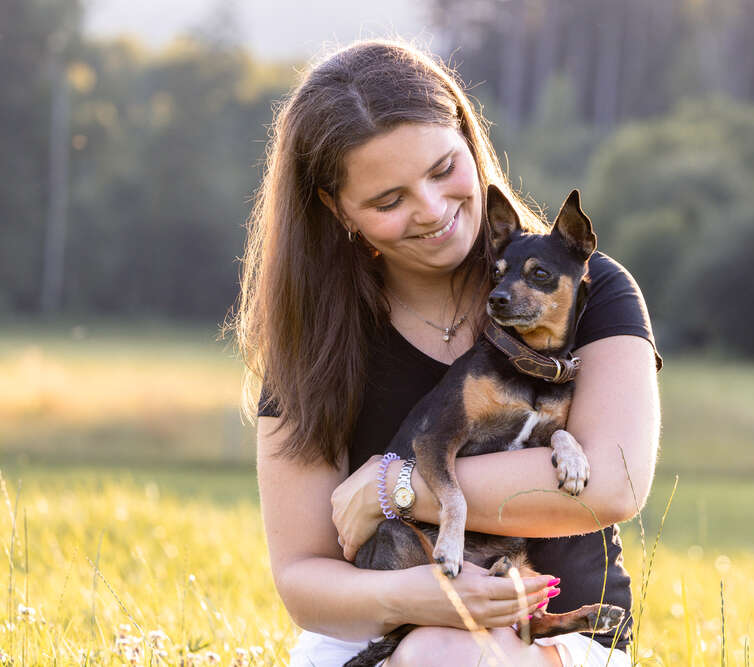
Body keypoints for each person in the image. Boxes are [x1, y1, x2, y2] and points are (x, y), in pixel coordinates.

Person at [231, 39, 661, 667]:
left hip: (553, 635)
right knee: (438, 651)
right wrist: (415, 596)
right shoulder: (318, 335)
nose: (433, 212)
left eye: (441, 170)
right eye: (389, 200)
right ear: (336, 208)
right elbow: (302, 578)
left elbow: (612, 485)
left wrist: (393, 485)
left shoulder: (589, 290)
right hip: (376, 627)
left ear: (467, 136)